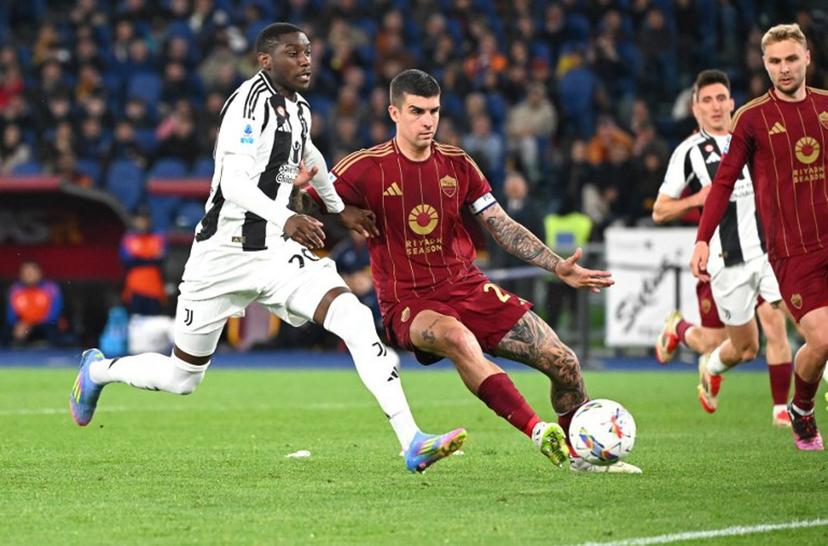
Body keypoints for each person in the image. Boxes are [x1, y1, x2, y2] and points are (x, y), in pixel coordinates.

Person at [69, 23, 465, 474]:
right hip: (222, 255)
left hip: (276, 254)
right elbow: (235, 183)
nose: (306, 60)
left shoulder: (298, 108)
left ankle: (411, 440)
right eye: (294, 53)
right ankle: (98, 372)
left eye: (309, 52)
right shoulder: (245, 106)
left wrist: (338, 210)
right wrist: (290, 217)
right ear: (265, 61)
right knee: (182, 378)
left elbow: (310, 156)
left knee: (353, 316)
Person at [304, 69, 640, 473]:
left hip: (467, 287)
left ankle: (581, 457)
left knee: (563, 360)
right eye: (417, 111)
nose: (428, 121)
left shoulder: (458, 165)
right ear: (394, 112)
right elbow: (309, 204)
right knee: (459, 339)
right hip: (409, 302)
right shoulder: (364, 167)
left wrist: (557, 266)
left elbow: (501, 225)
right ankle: (539, 432)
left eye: (434, 111)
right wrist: (337, 209)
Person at [691, 23, 828, 451]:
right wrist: (701, 238)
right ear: (764, 65)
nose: (784, 69)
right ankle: (801, 410)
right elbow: (725, 182)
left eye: (791, 59)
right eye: (774, 61)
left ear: (807, 58)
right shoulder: (750, 119)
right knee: (820, 340)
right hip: (793, 252)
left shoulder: (826, 107)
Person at [653, 69, 793, 427]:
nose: (715, 107)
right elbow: (659, 210)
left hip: (768, 252)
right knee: (732, 345)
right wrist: (698, 198)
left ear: (732, 102)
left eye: (721, 99)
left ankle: (783, 410)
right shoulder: (687, 152)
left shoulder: (755, 137)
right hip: (722, 259)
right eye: (706, 101)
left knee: (783, 323)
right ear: (696, 108)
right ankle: (680, 331)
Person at [4, 260, 64, 347]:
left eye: (32, 271)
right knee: (8, 333)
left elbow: (54, 315)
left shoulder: (51, 288)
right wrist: (19, 325)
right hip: (22, 327)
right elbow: (10, 316)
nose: (29, 275)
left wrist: (31, 325)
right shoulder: (15, 289)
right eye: (26, 272)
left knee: (52, 330)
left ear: (40, 273)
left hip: (46, 326)